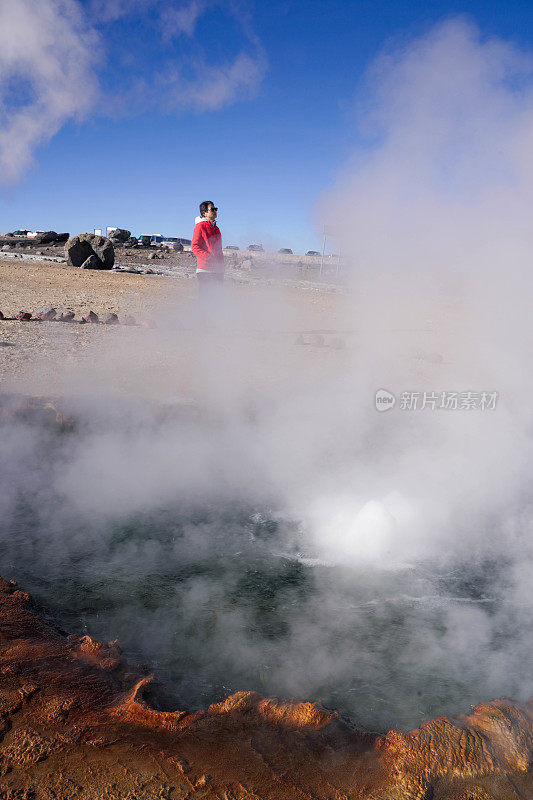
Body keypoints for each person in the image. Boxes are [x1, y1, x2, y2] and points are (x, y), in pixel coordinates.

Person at [191, 201, 225, 300]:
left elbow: (218, 249)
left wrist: (221, 264)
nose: (215, 211)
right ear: (204, 213)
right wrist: (209, 257)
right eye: (212, 209)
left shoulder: (216, 228)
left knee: (217, 299)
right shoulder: (200, 226)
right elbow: (194, 246)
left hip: (217, 269)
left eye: (216, 209)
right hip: (205, 269)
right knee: (206, 299)